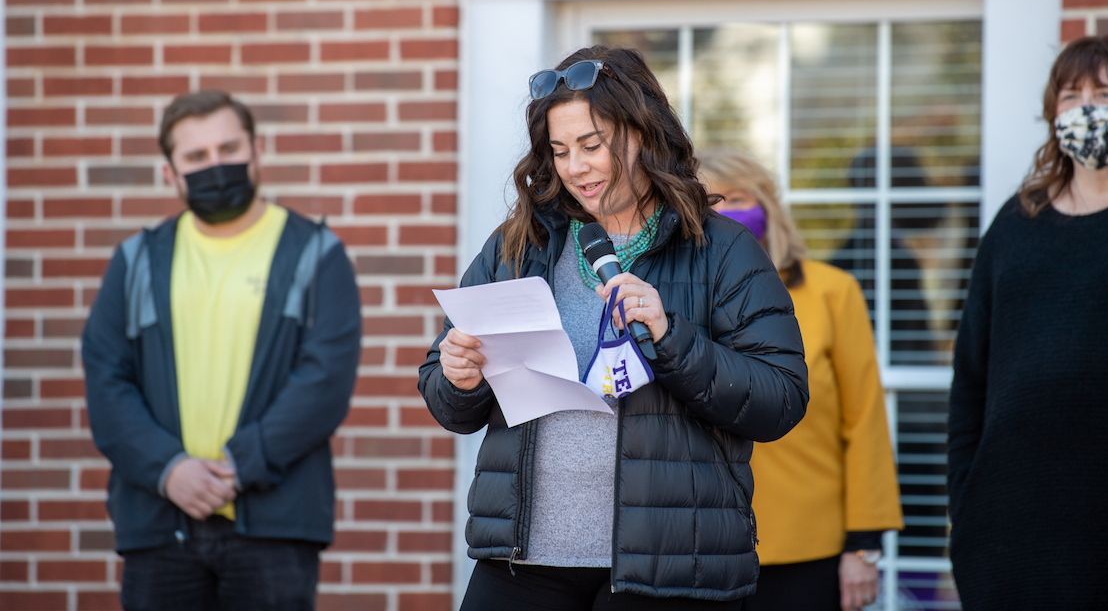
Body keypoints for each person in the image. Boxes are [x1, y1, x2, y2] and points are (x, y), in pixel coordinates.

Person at [418, 46, 809, 609]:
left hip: (668, 566)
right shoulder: (518, 244)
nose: (574, 168)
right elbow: (447, 398)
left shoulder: (723, 251)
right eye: (559, 151)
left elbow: (781, 399)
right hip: (522, 561)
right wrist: (456, 376)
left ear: (643, 135)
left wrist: (673, 338)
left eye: (591, 146)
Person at [81, 90, 362, 611]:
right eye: (196, 157)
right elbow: (105, 379)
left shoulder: (316, 254)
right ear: (170, 172)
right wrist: (169, 469)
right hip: (160, 525)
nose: (216, 166)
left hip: (275, 528)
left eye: (229, 148)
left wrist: (238, 465)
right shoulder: (136, 260)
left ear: (257, 149)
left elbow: (324, 382)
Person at [947, 36, 1108, 610]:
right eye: (1071, 94)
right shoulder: (1014, 226)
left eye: (1106, 93)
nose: (1087, 108)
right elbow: (971, 385)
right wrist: (970, 512)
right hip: (1015, 544)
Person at [697, 148, 903, 611]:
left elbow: (865, 422)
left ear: (769, 205)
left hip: (808, 548)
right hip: (700, 546)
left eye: (738, 197)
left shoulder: (834, 293)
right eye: (709, 202)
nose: (724, 212)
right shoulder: (671, 302)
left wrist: (863, 546)